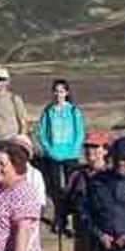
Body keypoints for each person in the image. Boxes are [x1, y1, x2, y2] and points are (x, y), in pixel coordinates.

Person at [38, 79, 85, 231]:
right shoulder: (48, 111)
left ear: (67, 93)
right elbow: (42, 133)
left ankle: (75, 220)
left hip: (70, 155)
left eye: (62, 91)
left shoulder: (73, 111)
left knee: (73, 188)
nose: (58, 94)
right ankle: (60, 219)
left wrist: (73, 150)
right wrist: (49, 150)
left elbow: (80, 133)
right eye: (56, 91)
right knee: (55, 190)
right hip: (52, 155)